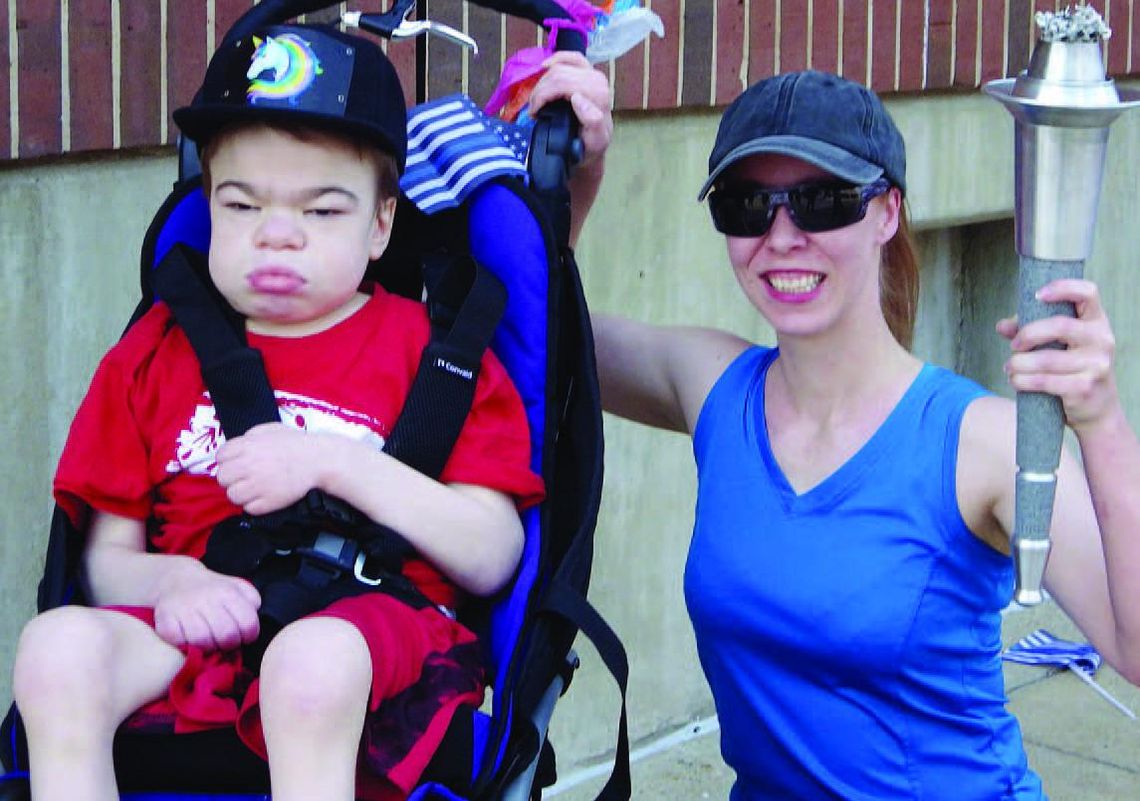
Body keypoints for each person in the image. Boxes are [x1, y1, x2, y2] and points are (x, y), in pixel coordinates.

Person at [530, 58, 1140, 799]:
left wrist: (1101, 420)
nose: (782, 236)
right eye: (747, 205)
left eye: (823, 201)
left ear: (887, 212)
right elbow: (542, 340)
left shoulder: (977, 443)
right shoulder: (713, 387)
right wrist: (576, 185)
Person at [11, 24, 544, 801]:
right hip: (200, 622)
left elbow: (493, 552)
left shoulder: (436, 357)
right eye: (242, 203)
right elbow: (103, 562)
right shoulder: (155, 351)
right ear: (209, 205)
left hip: (373, 631)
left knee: (309, 661)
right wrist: (172, 583)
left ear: (380, 224)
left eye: (323, 212)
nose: (278, 235)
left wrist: (336, 462)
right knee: (54, 647)